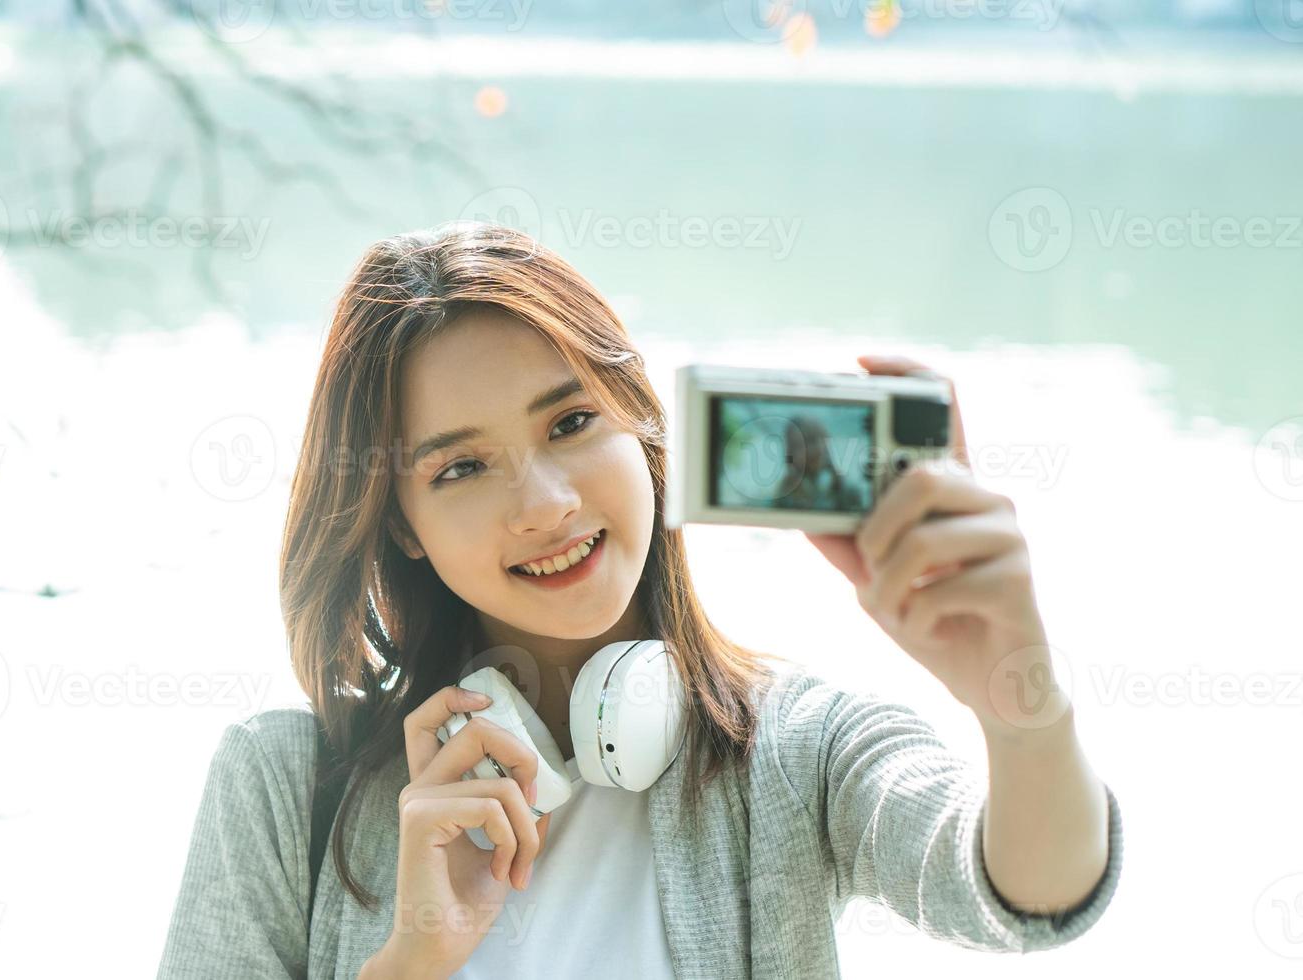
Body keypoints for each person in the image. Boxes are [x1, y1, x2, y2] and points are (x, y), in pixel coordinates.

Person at [155, 221, 1124, 980]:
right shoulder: (282, 786)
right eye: (460, 466)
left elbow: (1027, 893)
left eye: (573, 420)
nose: (544, 503)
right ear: (400, 519)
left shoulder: (790, 751)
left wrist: (1017, 702)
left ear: (646, 428)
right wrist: (409, 960)